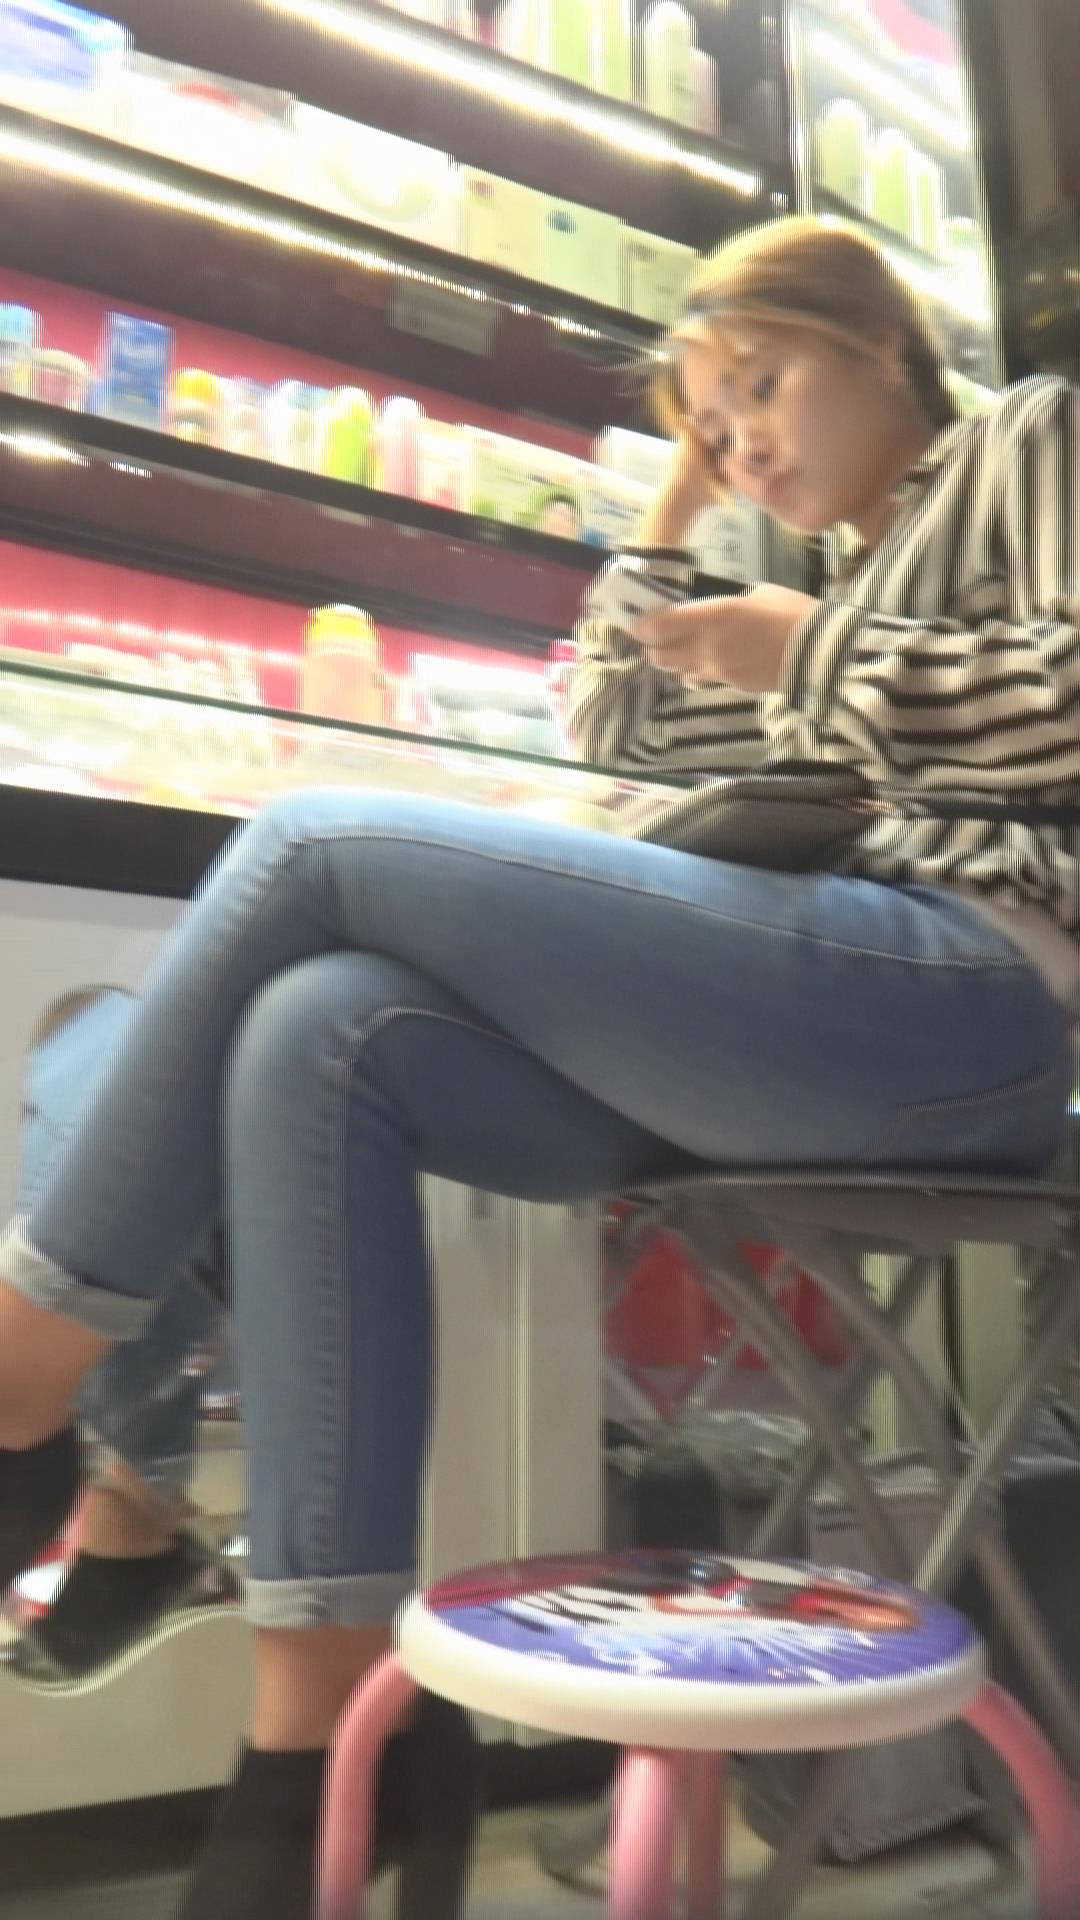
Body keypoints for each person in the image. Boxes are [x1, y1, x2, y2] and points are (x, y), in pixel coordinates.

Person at [0, 211, 1077, 1917]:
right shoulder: (823, 583)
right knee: (318, 1030)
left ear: (879, 341)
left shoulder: (1026, 437)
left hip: (976, 992)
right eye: (713, 419)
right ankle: (320, 1722)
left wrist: (804, 653)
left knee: (311, 844)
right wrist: (680, 495)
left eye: (763, 386)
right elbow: (615, 720)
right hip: (810, 1016)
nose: (744, 443)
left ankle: (21, 1382)